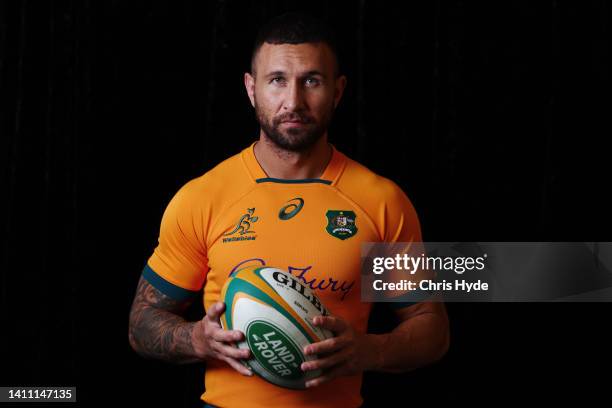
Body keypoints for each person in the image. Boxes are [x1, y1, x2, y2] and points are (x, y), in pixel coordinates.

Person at [128, 12, 449, 408]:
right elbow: (141, 323)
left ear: (337, 91)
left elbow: (431, 327)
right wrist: (197, 339)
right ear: (251, 88)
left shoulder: (379, 202)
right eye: (277, 80)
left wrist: (371, 351)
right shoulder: (203, 198)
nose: (293, 102)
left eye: (311, 81)